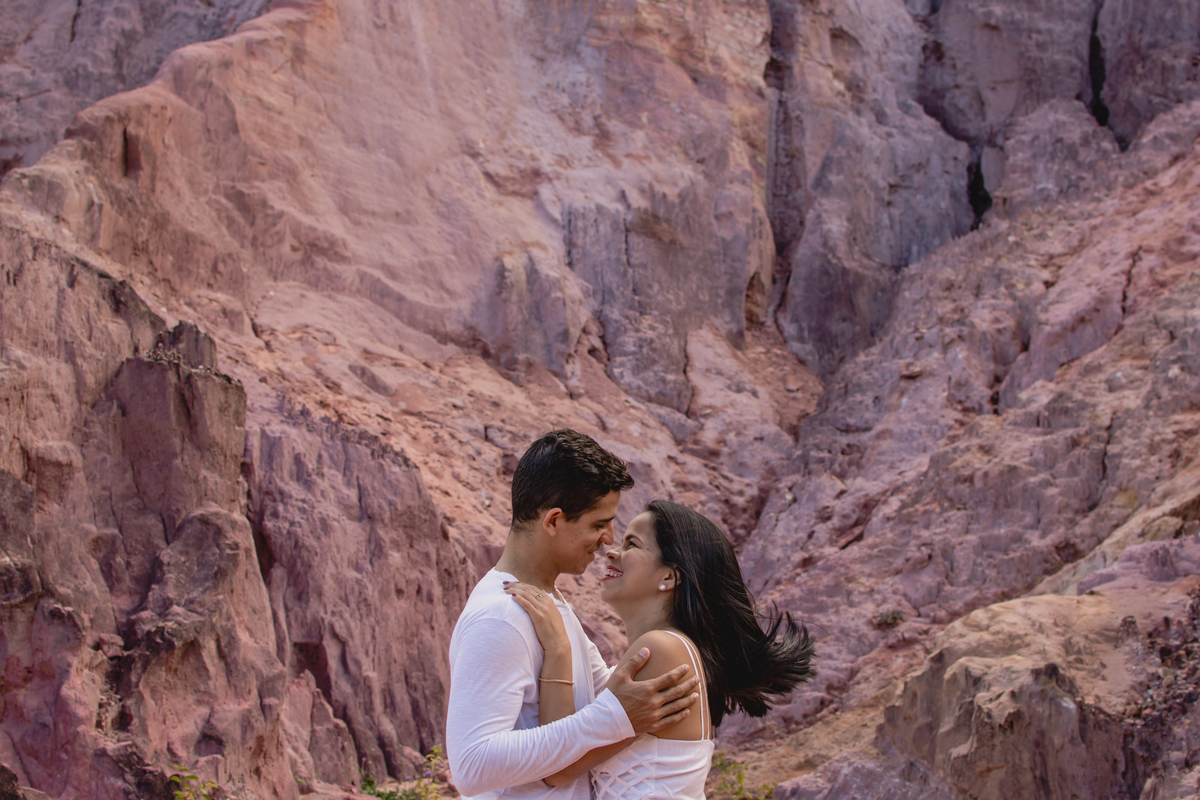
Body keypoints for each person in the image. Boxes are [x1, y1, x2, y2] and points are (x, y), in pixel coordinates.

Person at [446, 430, 701, 800]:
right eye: (599, 524)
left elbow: (604, 693)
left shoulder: (550, 604)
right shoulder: (499, 617)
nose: (609, 538)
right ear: (552, 521)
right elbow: (472, 766)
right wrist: (614, 719)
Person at [504, 500, 815, 799]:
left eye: (632, 545)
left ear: (669, 576)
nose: (612, 552)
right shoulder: (664, 650)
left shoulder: (661, 650)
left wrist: (558, 648)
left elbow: (557, 767)